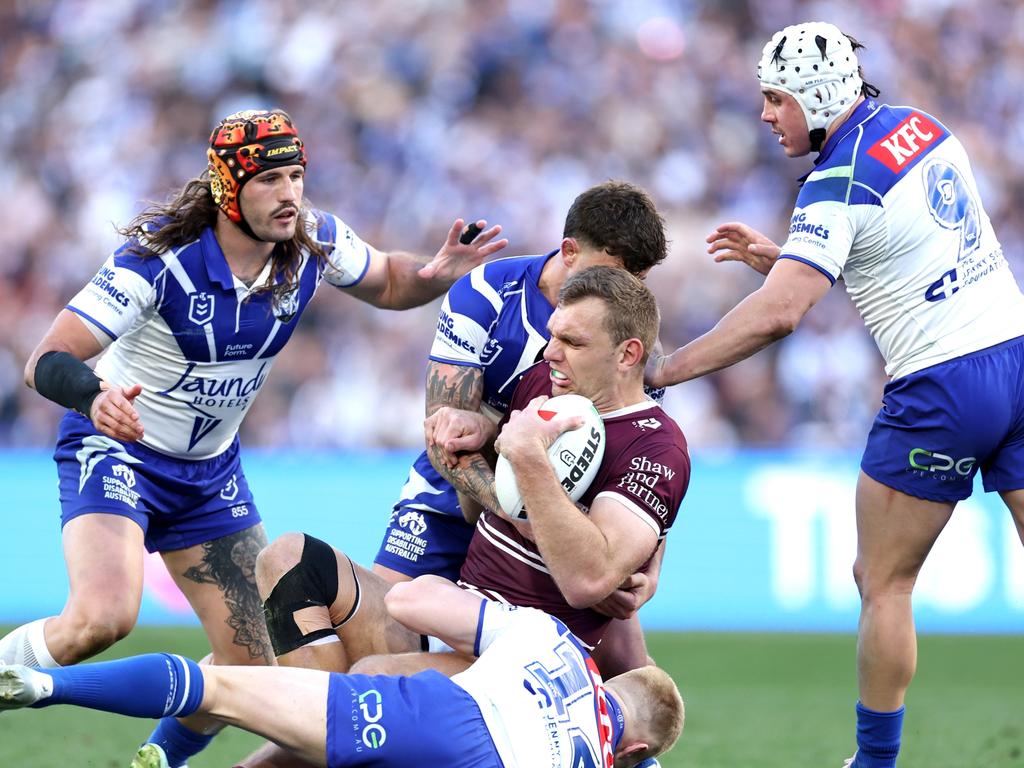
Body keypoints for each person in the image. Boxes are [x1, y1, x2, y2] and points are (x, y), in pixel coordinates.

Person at [0, 108, 506, 768]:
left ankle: (157, 762)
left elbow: (385, 279)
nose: (290, 193)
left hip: (208, 474)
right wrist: (95, 396)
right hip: (119, 446)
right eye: (270, 179)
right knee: (102, 618)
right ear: (226, 189)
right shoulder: (159, 261)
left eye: (296, 174)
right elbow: (46, 359)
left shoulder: (312, 242)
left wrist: (435, 273)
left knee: (250, 662)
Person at [644, 22, 1024, 768]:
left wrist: (663, 371)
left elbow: (781, 314)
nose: (765, 115)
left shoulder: (835, 184)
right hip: (1016, 356)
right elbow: (904, 259)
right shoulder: (922, 126)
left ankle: (875, 763)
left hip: (941, 389)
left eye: (775, 99)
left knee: (882, 582)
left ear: (816, 98)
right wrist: (788, 259)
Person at [240, 267, 688, 768]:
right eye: (553, 335)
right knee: (288, 559)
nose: (549, 353)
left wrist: (528, 457)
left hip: (522, 668)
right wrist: (474, 441)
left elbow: (590, 579)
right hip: (454, 610)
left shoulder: (656, 447)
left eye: (572, 341)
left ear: (627, 354)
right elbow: (483, 508)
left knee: (374, 679)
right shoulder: (546, 386)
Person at [372, 180, 670, 679]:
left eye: (640, 278)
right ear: (571, 252)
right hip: (453, 501)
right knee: (375, 634)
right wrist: (517, 511)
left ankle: (632, 756)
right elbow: (443, 435)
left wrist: (649, 564)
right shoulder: (487, 292)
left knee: (630, 674)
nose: (630, 292)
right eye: (619, 273)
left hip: (555, 519)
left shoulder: (630, 338)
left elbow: (639, 458)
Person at [0, 575, 685, 768]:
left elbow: (415, 600)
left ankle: (47, 684)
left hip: (444, 721)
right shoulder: (610, 756)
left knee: (225, 683)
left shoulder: (552, 636)